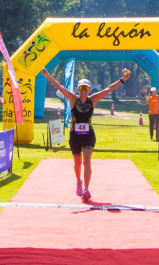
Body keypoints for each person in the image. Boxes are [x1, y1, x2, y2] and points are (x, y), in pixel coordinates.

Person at [41, 67, 130, 202]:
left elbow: (108, 89)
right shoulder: (73, 99)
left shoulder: (92, 100)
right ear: (78, 89)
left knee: (86, 160)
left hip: (88, 134)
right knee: (77, 162)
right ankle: (79, 182)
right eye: (82, 88)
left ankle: (87, 189)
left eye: (86, 88)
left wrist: (123, 79)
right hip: (75, 136)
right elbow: (59, 86)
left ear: (89, 90)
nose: (84, 91)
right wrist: (47, 75)